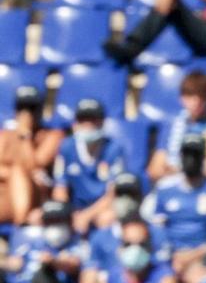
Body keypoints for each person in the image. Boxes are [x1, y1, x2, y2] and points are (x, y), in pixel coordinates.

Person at [143, 134, 206, 269]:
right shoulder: (165, 188)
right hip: (170, 256)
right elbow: (157, 230)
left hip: (202, 256)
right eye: (187, 154)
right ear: (180, 156)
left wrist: (192, 256)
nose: (191, 159)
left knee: (199, 277)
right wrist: (171, 256)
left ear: (204, 157)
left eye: (196, 154)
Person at [51, 99, 128, 232]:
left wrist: (87, 215)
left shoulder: (114, 149)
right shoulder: (66, 147)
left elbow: (113, 193)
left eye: (93, 120)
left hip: (102, 205)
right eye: (83, 120)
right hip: (75, 207)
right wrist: (69, 213)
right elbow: (60, 190)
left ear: (102, 122)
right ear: (76, 124)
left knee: (107, 218)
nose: (88, 125)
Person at [0, 84, 63, 226]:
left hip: (34, 196)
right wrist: (12, 174)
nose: (27, 114)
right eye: (22, 108)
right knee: (16, 173)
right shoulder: (4, 136)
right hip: (5, 194)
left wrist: (25, 136)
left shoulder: (52, 136)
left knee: (19, 171)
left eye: (32, 108)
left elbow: (34, 166)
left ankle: (21, 223)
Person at [151, 71, 206, 184]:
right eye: (190, 96)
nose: (197, 102)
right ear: (181, 98)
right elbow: (155, 170)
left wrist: (183, 168)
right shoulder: (172, 127)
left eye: (202, 96)